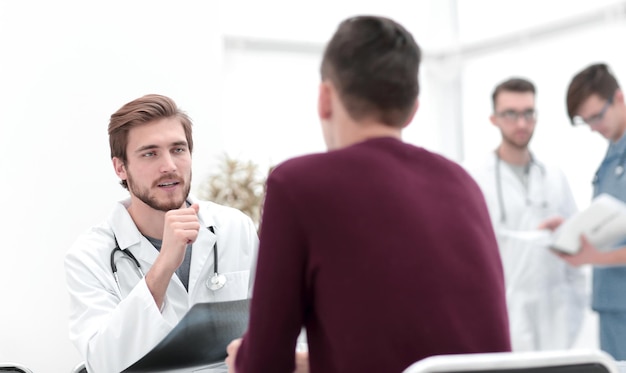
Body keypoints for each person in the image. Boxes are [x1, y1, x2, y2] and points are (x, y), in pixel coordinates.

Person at [225, 15, 511, 373]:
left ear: (324, 99)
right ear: (412, 110)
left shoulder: (297, 184)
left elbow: (265, 363)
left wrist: (244, 359)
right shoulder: (463, 184)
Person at [64, 94, 259, 373]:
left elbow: (274, 325)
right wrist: (164, 266)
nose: (169, 165)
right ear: (121, 168)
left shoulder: (234, 228)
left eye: (178, 149)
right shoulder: (89, 256)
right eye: (150, 153)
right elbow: (104, 363)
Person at [463, 78, 587, 351]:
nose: (521, 123)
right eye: (510, 114)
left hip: (556, 310)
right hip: (506, 308)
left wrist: (577, 298)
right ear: (493, 119)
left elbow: (576, 243)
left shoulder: (554, 176)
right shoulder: (474, 178)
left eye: (528, 113)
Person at [560, 62, 626, 360]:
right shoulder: (612, 154)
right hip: (612, 305)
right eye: (585, 121)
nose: (593, 127)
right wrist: (569, 230)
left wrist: (595, 258)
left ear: (619, 98)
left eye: (597, 116)